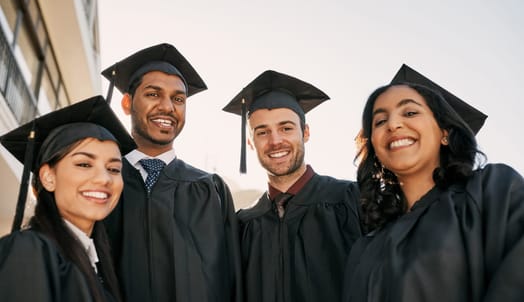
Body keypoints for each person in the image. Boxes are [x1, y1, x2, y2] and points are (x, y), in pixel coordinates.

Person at [343, 65, 524, 301]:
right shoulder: (364, 247)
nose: (393, 124)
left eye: (409, 113)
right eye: (379, 121)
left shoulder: (491, 190)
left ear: (445, 133)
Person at [101, 43, 242, 302]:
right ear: (127, 103)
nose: (167, 107)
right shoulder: (102, 184)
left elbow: (232, 280)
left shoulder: (210, 189)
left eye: (178, 99)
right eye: (153, 94)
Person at [223, 70, 362, 302]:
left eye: (286, 128)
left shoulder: (352, 201)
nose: (275, 140)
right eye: (262, 132)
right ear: (250, 142)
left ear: (305, 133)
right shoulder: (243, 226)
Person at [0, 95, 135, 302]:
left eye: (114, 169)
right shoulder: (28, 250)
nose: (104, 178)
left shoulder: (97, 266)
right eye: (84, 164)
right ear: (48, 177)